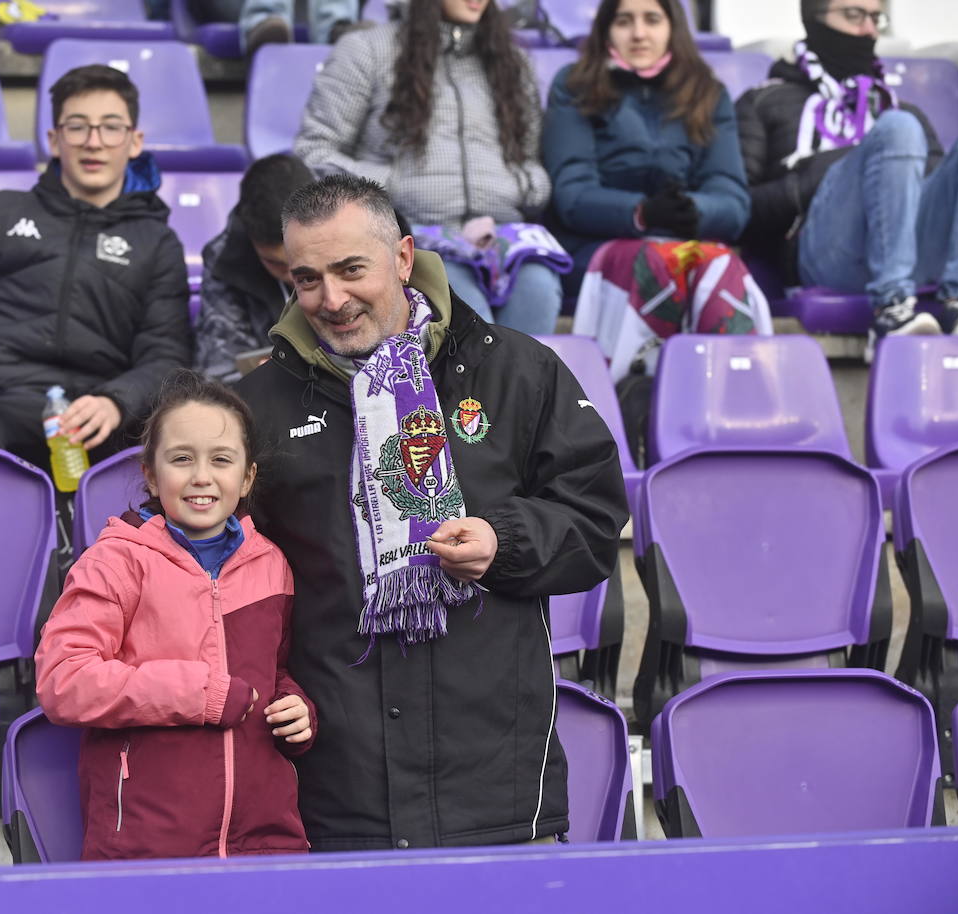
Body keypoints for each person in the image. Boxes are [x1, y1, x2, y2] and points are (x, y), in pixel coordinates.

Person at [235, 175, 629, 850]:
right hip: (333, 787)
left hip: (495, 783)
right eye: (306, 279)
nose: (331, 300)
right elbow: (228, 577)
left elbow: (594, 523)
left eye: (350, 269)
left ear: (403, 257)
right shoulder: (258, 403)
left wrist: (501, 541)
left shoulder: (515, 370)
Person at [35, 370, 315, 860]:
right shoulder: (116, 560)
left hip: (264, 842)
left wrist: (295, 708)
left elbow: (274, 672)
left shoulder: (272, 562)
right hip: (148, 845)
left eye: (221, 460)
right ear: (150, 473)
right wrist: (197, 693)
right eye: (181, 459)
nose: (201, 476)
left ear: (247, 476)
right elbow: (63, 679)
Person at [0, 65, 191, 473]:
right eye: (77, 127)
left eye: (111, 127)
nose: (93, 142)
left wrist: (117, 402)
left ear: (135, 142)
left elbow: (167, 354)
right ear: (54, 140)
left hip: (98, 415)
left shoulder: (157, 243)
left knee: (148, 465)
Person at [737, 0, 958, 352]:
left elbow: (933, 189)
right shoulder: (765, 100)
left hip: (911, 250)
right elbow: (738, 210)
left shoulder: (899, 107)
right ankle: (891, 307)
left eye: (875, 18)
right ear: (814, 19)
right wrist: (811, 180)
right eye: (853, 16)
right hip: (827, 254)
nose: (868, 30)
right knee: (897, 130)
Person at [293, 0, 567, 336]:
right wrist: (393, 185)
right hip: (415, 234)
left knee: (538, 291)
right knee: (469, 317)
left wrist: (521, 185)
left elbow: (531, 160)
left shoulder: (512, 61)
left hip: (501, 234)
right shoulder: (367, 50)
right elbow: (314, 151)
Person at [543, 0, 766, 379]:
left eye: (652, 19)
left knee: (722, 264)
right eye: (624, 21)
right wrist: (642, 213)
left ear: (672, 27)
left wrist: (695, 210)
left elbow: (731, 197)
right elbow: (572, 194)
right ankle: (636, 396)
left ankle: (732, 397)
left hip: (683, 242)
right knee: (658, 262)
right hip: (595, 248)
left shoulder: (707, 92)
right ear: (606, 29)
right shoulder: (575, 85)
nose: (639, 33)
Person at [195, 154, 313, 383]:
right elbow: (220, 369)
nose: (293, 275)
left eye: (302, 261)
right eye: (276, 264)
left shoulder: (354, 227)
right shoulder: (225, 260)